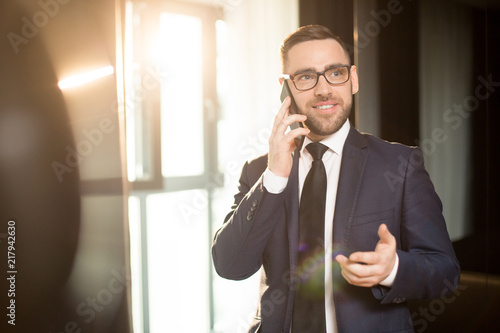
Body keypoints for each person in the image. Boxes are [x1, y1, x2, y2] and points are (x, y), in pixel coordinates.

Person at [212, 25, 459, 333]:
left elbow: (445, 273)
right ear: (286, 87)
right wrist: (274, 177)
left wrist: (392, 269)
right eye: (305, 77)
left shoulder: (400, 164)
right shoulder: (259, 172)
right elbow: (230, 265)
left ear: (352, 79)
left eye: (335, 73)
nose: (323, 89)